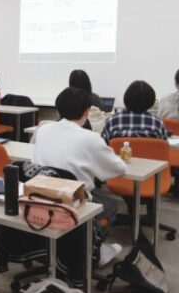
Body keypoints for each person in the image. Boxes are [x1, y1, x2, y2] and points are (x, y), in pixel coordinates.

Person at [33, 87, 126, 241]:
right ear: (87, 112)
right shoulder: (91, 138)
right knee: (110, 204)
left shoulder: (43, 130)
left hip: (39, 195)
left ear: (57, 111)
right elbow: (119, 169)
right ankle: (92, 245)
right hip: (72, 201)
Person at [102, 80, 168, 143]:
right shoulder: (158, 124)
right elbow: (164, 147)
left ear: (127, 97)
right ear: (151, 101)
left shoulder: (111, 121)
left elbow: (104, 146)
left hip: (119, 151)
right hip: (148, 151)